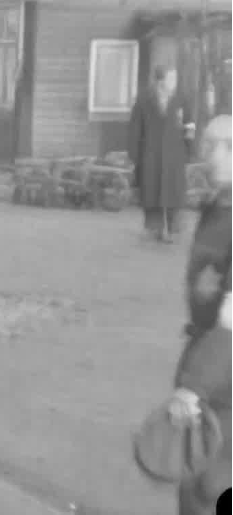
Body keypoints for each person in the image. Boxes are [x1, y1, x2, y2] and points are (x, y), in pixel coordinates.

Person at [167, 113, 232, 515]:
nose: (212, 155)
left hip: (222, 381)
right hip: (207, 364)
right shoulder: (216, 209)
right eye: (207, 145)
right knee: (194, 485)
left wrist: (195, 385)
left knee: (207, 488)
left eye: (226, 146)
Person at [127, 66, 194, 243]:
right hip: (151, 152)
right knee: (151, 189)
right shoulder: (144, 99)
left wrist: (189, 147)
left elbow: (190, 124)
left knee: (174, 191)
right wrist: (134, 153)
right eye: (171, 78)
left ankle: (173, 229)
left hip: (174, 152)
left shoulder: (181, 99)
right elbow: (135, 127)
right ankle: (153, 227)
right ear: (161, 80)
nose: (175, 82)